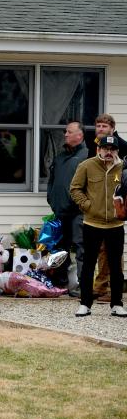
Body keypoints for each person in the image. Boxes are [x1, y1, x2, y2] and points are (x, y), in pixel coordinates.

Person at [69, 135, 127, 317]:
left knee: (116, 266)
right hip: (92, 223)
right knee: (88, 264)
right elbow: (75, 189)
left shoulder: (123, 169)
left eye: (112, 149)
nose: (109, 152)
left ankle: (117, 304)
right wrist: (87, 206)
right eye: (105, 148)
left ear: (117, 151)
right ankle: (85, 304)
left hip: (116, 225)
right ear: (98, 149)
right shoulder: (86, 166)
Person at [47, 121, 88, 297]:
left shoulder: (87, 156)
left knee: (81, 248)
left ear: (80, 135)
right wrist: (51, 199)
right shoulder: (61, 157)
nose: (65, 135)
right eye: (65, 132)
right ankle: (61, 283)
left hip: (78, 212)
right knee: (60, 249)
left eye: (69, 132)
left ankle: (82, 286)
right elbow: (52, 181)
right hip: (60, 211)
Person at [89, 114, 124, 302]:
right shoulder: (95, 144)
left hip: (116, 204)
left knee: (114, 249)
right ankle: (100, 285)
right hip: (98, 204)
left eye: (104, 126)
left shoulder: (122, 146)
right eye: (98, 126)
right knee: (102, 248)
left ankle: (113, 286)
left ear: (112, 128)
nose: (100, 129)